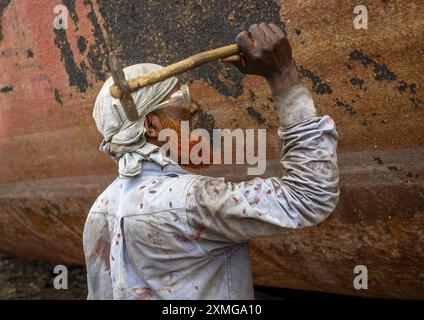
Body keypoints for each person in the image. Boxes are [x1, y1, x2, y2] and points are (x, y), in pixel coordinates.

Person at [83, 22, 340, 299]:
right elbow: (310, 195)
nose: (194, 108)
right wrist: (283, 75)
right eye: (181, 99)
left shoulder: (99, 212)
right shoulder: (192, 202)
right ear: (152, 126)